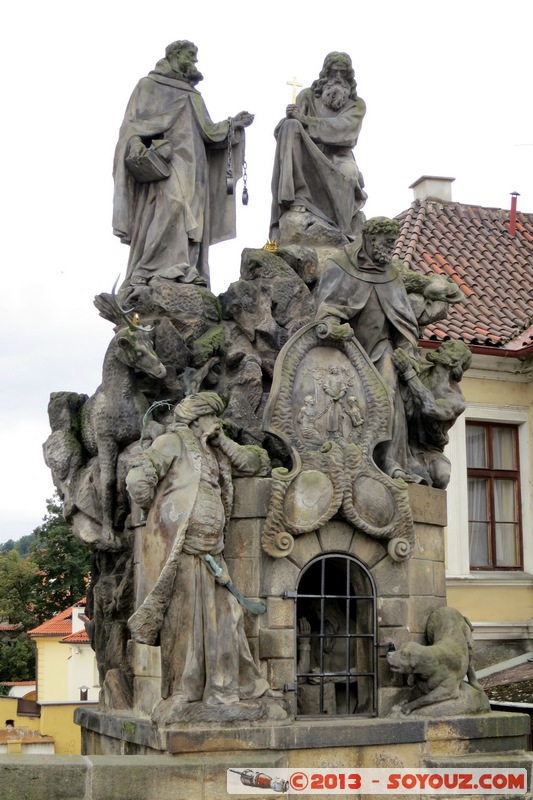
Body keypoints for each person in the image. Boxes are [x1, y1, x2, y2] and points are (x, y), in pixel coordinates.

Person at [125, 392, 273, 723]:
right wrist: (158, 511)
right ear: (197, 419)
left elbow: (257, 462)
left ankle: (223, 694)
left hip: (213, 555)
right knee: (183, 627)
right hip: (182, 551)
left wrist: (222, 440)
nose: (217, 423)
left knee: (228, 620)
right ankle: (183, 694)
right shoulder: (174, 441)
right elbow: (139, 475)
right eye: (212, 417)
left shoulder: (216, 449)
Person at [113, 41, 254, 288]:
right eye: (191, 56)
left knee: (194, 215)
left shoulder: (193, 95)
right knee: (172, 204)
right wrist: (135, 144)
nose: (195, 62)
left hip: (196, 165)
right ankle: (149, 268)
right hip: (167, 160)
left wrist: (234, 124)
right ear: (175, 55)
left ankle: (186, 268)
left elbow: (209, 132)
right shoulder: (149, 86)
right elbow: (132, 125)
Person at [316, 217, 421, 481]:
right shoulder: (339, 266)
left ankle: (389, 460)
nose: (390, 249)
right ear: (371, 240)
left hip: (381, 349)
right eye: (386, 243)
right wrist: (332, 325)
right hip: (347, 351)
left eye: (392, 243)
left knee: (388, 394)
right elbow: (325, 311)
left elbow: (406, 325)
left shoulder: (392, 276)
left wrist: (405, 351)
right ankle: (347, 458)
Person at [270, 52, 366, 243]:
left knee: (349, 172)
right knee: (290, 126)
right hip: (308, 158)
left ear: (349, 78)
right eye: (333, 72)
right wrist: (288, 120)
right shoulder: (307, 97)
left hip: (338, 158)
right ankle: (295, 198)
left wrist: (306, 121)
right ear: (325, 75)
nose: (338, 77)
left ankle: (343, 229)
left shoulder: (356, 104)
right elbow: (283, 133)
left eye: (342, 73)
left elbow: (346, 132)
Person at [393, 340, 472, 488]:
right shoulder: (421, 373)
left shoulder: (456, 400)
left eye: (448, 348)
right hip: (402, 438)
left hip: (429, 450)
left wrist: (409, 373)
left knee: (442, 475)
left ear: (453, 361)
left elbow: (430, 408)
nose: (442, 346)